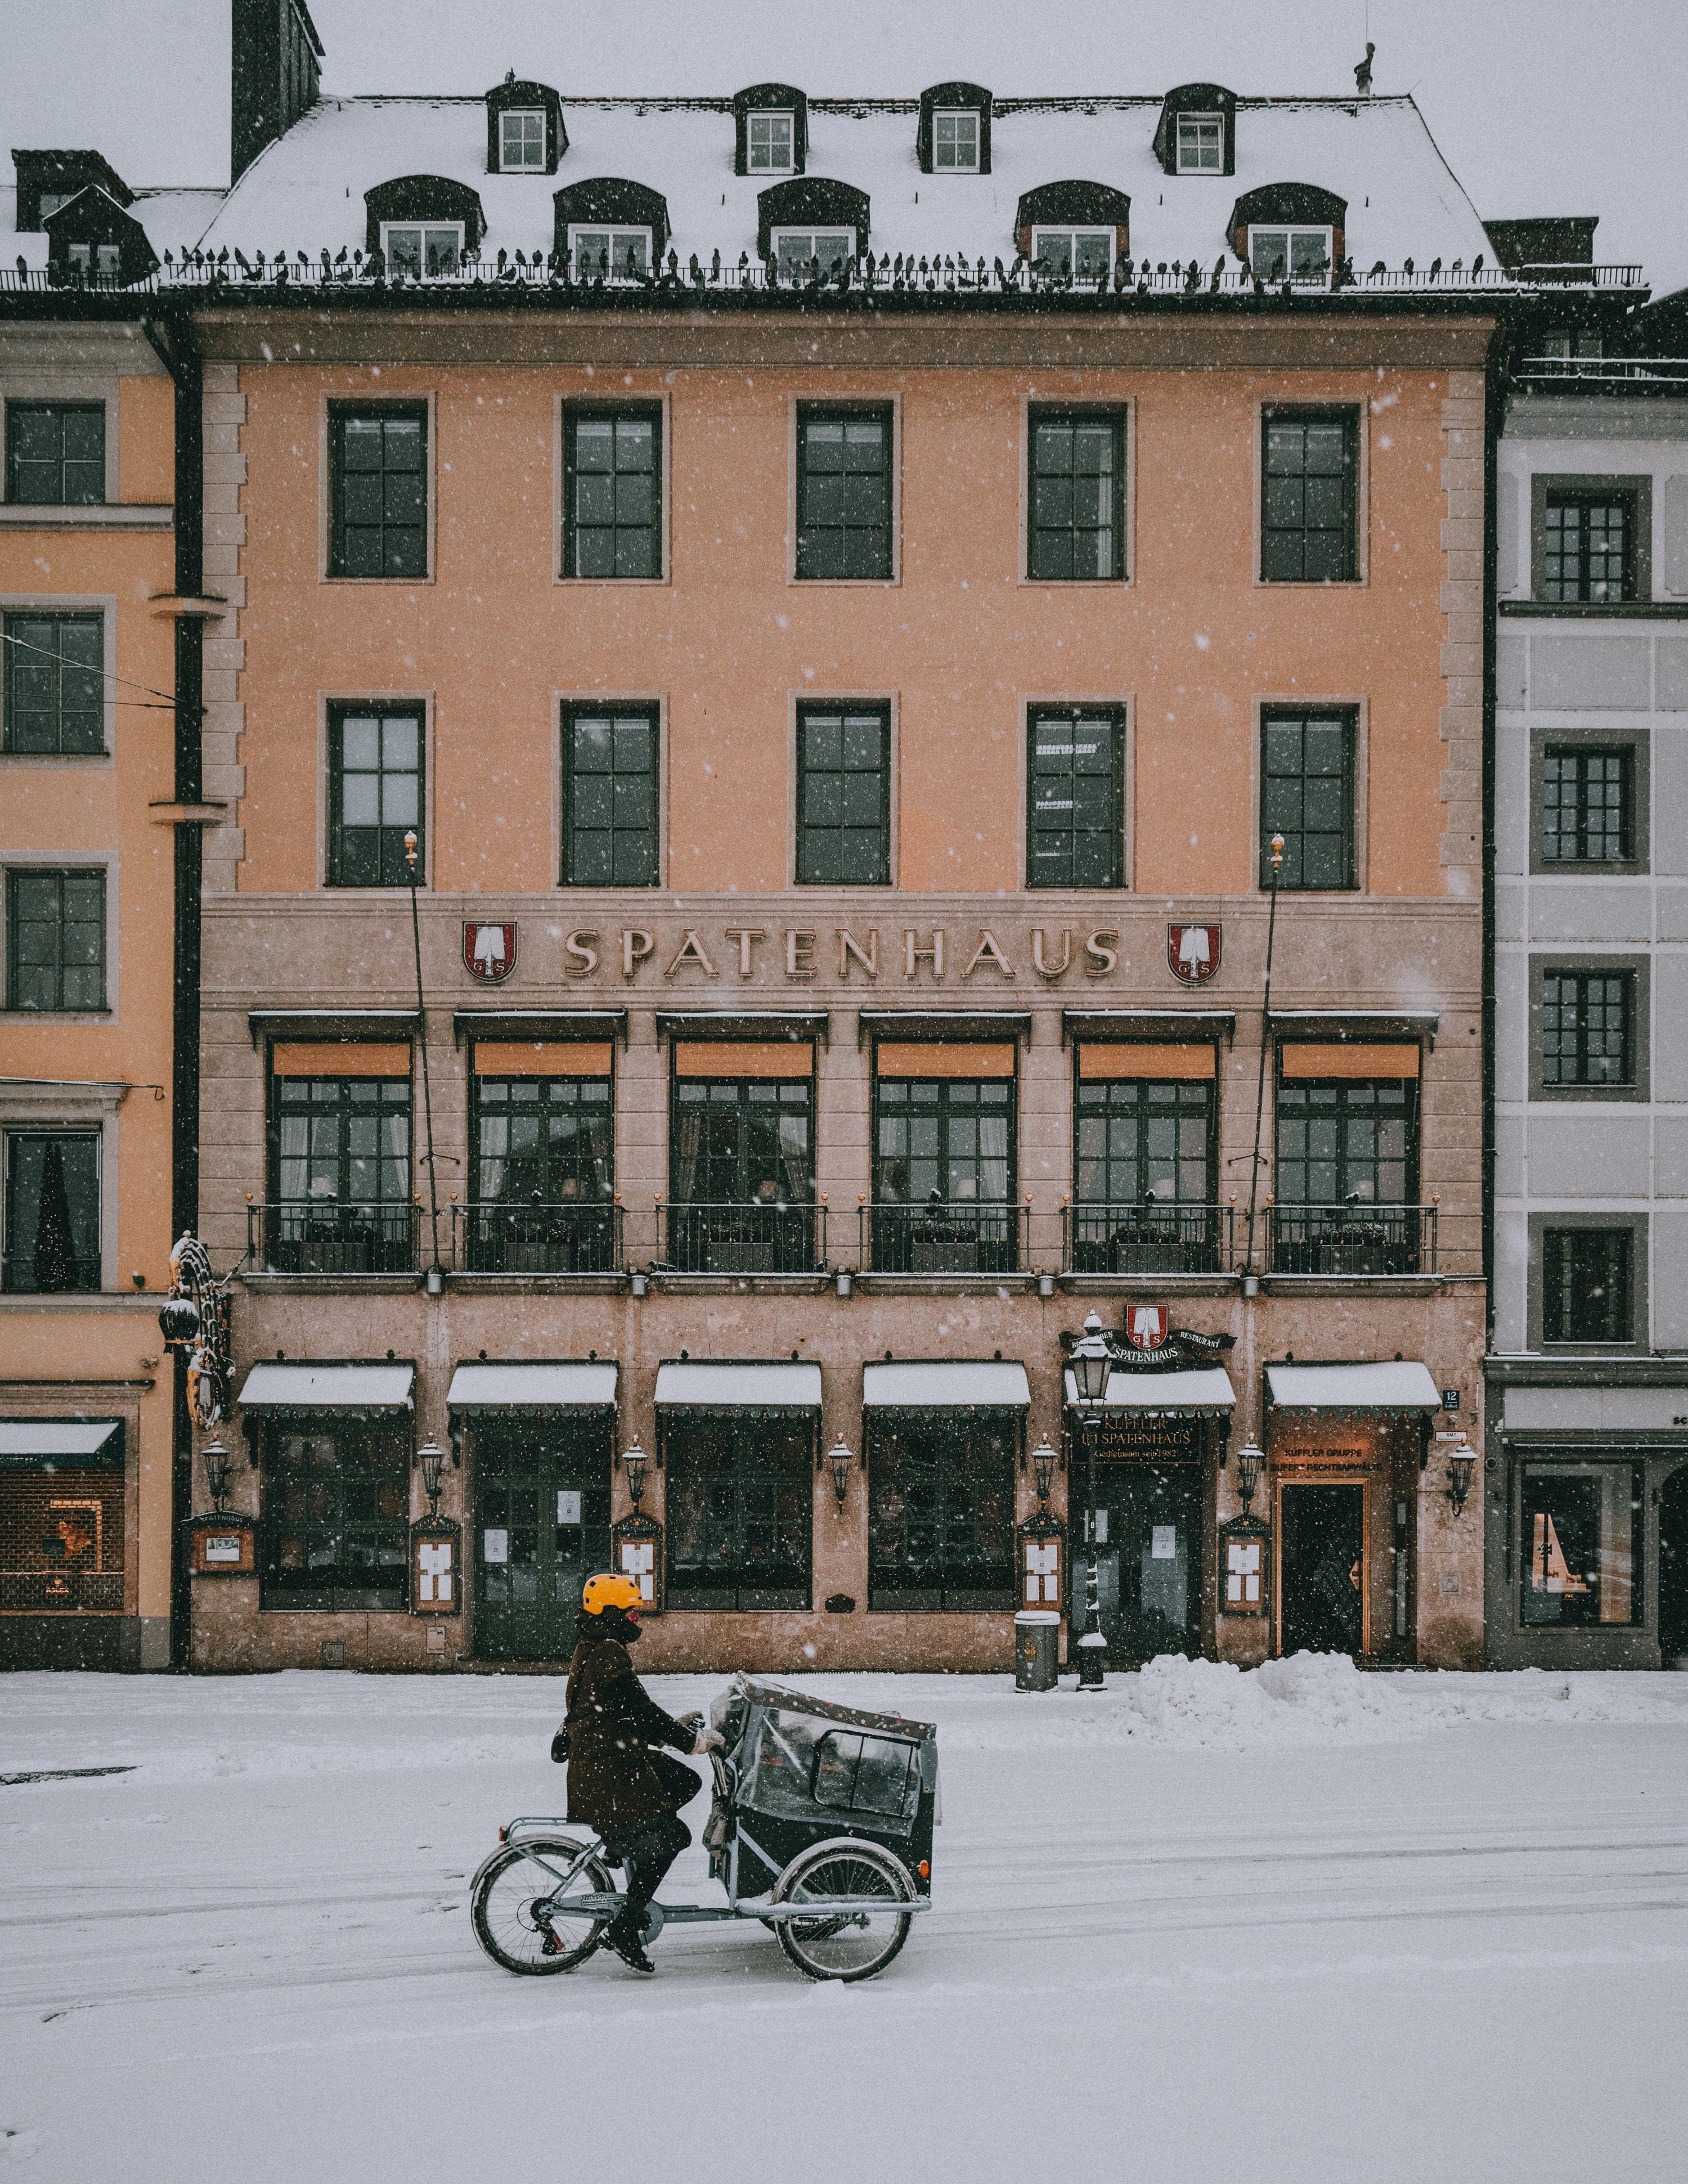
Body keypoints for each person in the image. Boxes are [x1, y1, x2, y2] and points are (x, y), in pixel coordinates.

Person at [563, 1571, 724, 1974]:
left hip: (610, 1760)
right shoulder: (608, 1652)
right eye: (632, 1613)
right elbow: (640, 1709)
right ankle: (625, 1925)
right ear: (612, 1612)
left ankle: (626, 1842)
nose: (638, 1620)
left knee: (685, 1780)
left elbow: (623, 1711)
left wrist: (674, 1731)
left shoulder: (597, 1643)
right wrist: (689, 1742)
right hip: (609, 1772)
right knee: (673, 1835)